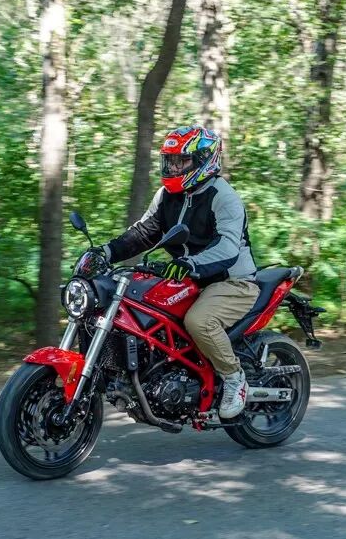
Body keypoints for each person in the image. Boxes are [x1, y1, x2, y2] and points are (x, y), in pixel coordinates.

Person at [95, 126, 258, 419]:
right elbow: (143, 232)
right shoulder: (167, 195)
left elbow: (227, 247)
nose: (173, 167)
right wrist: (105, 252)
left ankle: (235, 379)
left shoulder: (223, 197)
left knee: (199, 321)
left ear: (204, 160)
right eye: (169, 160)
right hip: (187, 278)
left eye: (181, 161)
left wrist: (191, 264)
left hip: (230, 281)